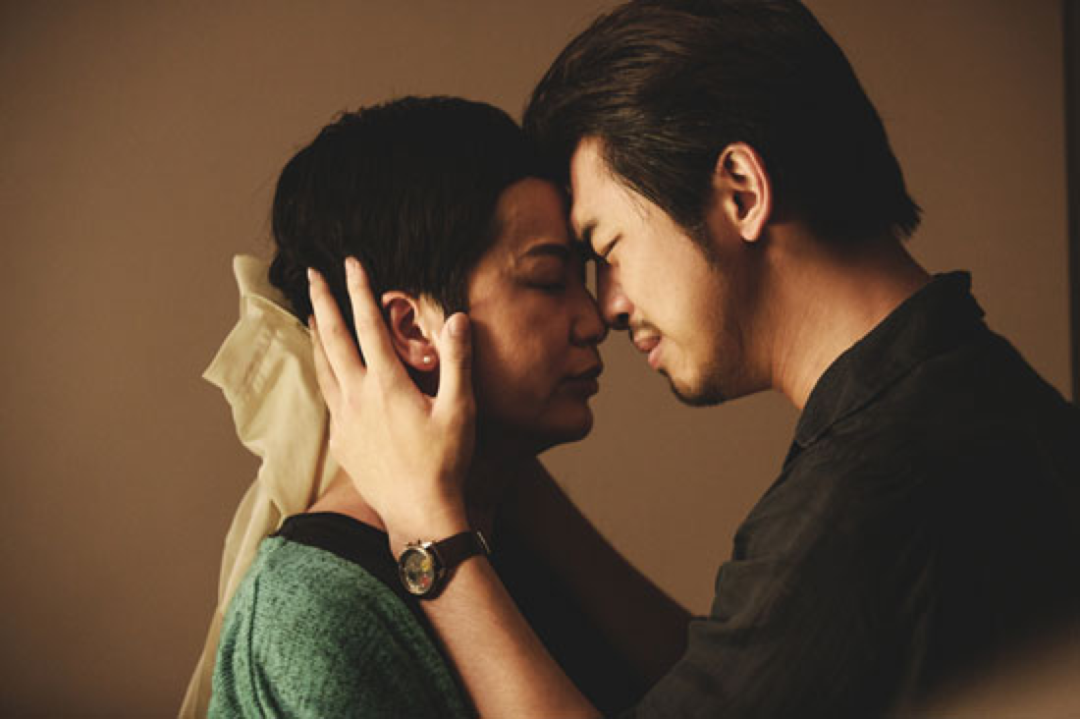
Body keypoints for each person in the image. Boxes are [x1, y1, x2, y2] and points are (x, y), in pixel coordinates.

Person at [308, 1, 1080, 717]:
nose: (608, 306)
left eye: (609, 247)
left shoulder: (873, 489)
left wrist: (430, 532)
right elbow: (732, 673)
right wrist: (495, 460)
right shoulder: (970, 394)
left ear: (741, 191)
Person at [206, 96, 690, 718]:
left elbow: (722, 692)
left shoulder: (508, 533)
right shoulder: (313, 611)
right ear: (412, 328)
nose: (594, 320)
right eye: (549, 281)